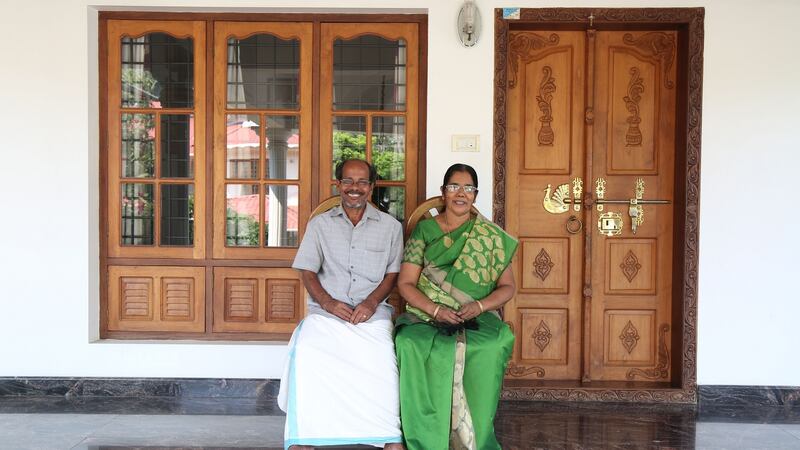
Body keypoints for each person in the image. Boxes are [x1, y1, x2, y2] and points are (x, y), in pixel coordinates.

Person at [278, 159, 405, 450]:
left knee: (383, 363)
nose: (354, 188)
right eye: (348, 181)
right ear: (338, 185)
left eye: (362, 182)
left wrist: (372, 302)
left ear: (372, 187)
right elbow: (307, 271)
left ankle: (386, 435)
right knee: (308, 353)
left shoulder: (390, 227)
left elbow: (393, 274)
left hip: (372, 316)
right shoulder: (320, 224)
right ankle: (307, 436)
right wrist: (327, 302)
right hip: (326, 315)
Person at [395, 163, 518, 450]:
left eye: (468, 188)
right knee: (410, 343)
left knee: (493, 343)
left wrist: (479, 305)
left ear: (475, 195)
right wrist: (435, 310)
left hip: (474, 314)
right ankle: (427, 437)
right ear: (443, 192)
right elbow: (405, 284)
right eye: (454, 187)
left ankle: (473, 438)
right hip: (425, 314)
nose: (460, 193)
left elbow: (508, 287)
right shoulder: (424, 231)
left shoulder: (489, 237)